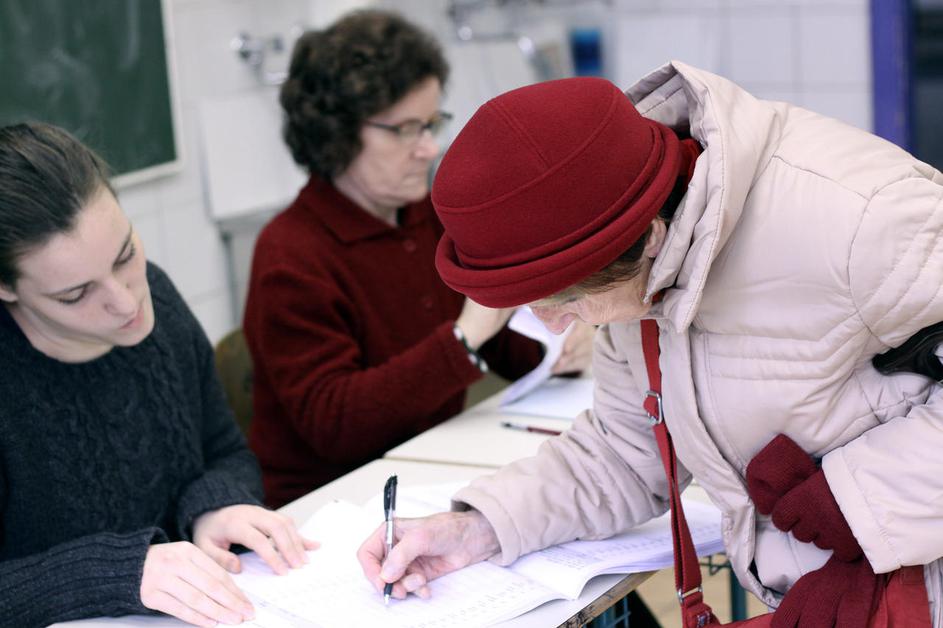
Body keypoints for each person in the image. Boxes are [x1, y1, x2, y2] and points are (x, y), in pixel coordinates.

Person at [357, 63, 943, 626]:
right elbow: (624, 452)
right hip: (837, 588)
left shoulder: (865, 217)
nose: (554, 327)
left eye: (567, 301)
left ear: (653, 238)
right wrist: (478, 528)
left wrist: (864, 501)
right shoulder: (634, 262)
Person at [243, 9, 594, 509]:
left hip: (423, 469)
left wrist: (556, 346)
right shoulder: (291, 253)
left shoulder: (424, 217)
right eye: (405, 129)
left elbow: (495, 337)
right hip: (330, 506)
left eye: (430, 124)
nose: (428, 149)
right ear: (337, 133)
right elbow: (336, 425)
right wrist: (463, 337)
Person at [0, 122, 316, 628]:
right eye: (75, 294)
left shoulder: (158, 299)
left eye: (126, 254)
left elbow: (225, 451)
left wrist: (215, 508)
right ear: (7, 289)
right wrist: (117, 573)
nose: (126, 301)